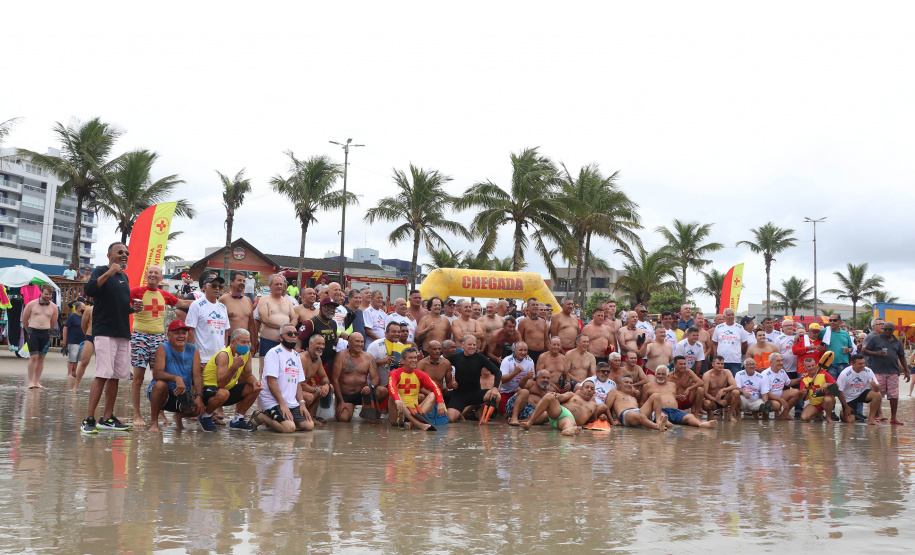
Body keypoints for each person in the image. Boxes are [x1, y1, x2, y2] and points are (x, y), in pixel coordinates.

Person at [81, 242, 140, 434]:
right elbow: (89, 290)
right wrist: (109, 273)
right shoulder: (100, 270)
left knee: (116, 376)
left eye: (127, 252)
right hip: (105, 331)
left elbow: (121, 306)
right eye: (120, 252)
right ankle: (88, 419)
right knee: (102, 374)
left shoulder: (125, 276)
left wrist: (133, 309)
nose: (125, 255)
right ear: (109, 255)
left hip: (123, 332)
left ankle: (107, 418)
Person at [129, 265, 193, 428]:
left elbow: (183, 302)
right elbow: (122, 305)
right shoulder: (136, 291)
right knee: (138, 378)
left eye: (156, 273)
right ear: (146, 275)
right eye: (150, 272)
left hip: (159, 338)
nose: (152, 274)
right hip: (140, 336)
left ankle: (160, 412)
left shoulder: (164, 294)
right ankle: (137, 414)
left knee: (160, 376)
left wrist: (205, 300)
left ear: (161, 277)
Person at [146, 319, 206, 433]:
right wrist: (176, 378)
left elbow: (197, 376)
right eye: (177, 333)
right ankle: (154, 423)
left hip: (183, 393)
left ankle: (178, 417)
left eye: (184, 333)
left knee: (198, 409)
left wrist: (199, 396)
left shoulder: (193, 349)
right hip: (163, 393)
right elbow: (157, 373)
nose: (181, 336)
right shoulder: (163, 347)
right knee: (160, 385)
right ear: (169, 335)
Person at [253, 323, 314, 433]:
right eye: (289, 334)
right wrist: (282, 405)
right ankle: (261, 416)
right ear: (280, 337)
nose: (293, 336)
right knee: (289, 428)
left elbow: (298, 383)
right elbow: (271, 382)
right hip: (273, 401)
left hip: (291, 402)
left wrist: (302, 403)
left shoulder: (296, 355)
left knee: (309, 426)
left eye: (295, 333)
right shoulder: (274, 353)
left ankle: (282, 419)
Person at [199, 329, 261, 432]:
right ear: (233, 342)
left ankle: (238, 419)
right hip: (209, 390)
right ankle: (205, 417)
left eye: (248, 342)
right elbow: (221, 383)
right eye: (243, 342)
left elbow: (248, 375)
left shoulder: (246, 353)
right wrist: (234, 367)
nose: (246, 345)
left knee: (254, 388)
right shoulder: (224, 355)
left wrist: (255, 382)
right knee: (223, 393)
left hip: (226, 390)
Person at [445, 335, 502, 422]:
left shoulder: (480, 357)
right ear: (463, 345)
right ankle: (460, 413)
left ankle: (479, 412)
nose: (472, 347)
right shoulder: (455, 357)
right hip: (459, 394)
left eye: (474, 345)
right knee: (450, 419)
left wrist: (495, 388)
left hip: (476, 393)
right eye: (469, 344)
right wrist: (450, 381)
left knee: (496, 395)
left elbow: (498, 372)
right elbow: (442, 366)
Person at [331, 333, 385, 422]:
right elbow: (335, 380)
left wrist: (370, 386)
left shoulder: (368, 357)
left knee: (382, 391)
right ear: (349, 342)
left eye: (362, 342)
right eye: (357, 341)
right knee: (343, 419)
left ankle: (366, 411)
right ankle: (346, 406)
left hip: (363, 395)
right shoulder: (340, 356)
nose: (360, 344)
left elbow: (376, 378)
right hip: (346, 395)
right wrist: (341, 401)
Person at [863, 321, 910, 425]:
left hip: (893, 372)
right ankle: (875, 416)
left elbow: (902, 356)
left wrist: (906, 371)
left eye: (890, 329)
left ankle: (893, 418)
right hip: (878, 371)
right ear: (883, 329)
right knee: (878, 394)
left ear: (894, 331)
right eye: (886, 329)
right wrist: (876, 353)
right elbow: (865, 351)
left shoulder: (897, 342)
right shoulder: (875, 339)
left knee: (894, 396)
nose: (887, 331)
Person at [388, 347, 446, 430]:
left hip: (415, 413)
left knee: (433, 395)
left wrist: (440, 402)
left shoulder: (420, 374)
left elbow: (435, 388)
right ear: (403, 360)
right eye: (410, 358)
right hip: (398, 415)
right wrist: (397, 399)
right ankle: (418, 424)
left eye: (415, 357)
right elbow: (391, 387)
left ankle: (411, 423)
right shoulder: (395, 373)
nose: (414, 360)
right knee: (394, 395)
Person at [641, 365, 717, 428]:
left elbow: (671, 396)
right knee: (662, 417)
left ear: (667, 376)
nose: (660, 376)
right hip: (660, 411)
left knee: (690, 417)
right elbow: (643, 403)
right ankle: (665, 424)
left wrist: (678, 397)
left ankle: (701, 424)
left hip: (675, 411)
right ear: (655, 375)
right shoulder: (648, 386)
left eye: (663, 374)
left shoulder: (672, 385)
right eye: (658, 374)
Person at [520, 381, 599, 435]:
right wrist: (556, 395)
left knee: (570, 424)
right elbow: (561, 397)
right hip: (559, 411)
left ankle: (568, 431)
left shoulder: (594, 405)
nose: (589, 390)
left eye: (592, 389)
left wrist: (602, 419)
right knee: (549, 396)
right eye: (587, 387)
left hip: (568, 420)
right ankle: (529, 422)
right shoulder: (572, 394)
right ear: (581, 389)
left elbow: (593, 423)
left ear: (594, 392)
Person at [255, 274, 297, 373]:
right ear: (270, 286)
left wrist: (289, 330)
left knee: (284, 371)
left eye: (281, 284)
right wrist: (284, 328)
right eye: (276, 284)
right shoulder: (264, 300)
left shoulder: (288, 301)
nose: (279, 286)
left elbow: (294, 317)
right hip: (268, 341)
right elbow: (264, 318)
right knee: (265, 371)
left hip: (285, 342)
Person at [185, 275, 230, 366]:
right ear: (205, 287)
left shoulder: (223, 307)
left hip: (220, 357)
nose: (217, 289)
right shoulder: (196, 305)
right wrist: (195, 354)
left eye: (220, 286)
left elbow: (226, 330)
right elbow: (189, 330)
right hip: (203, 358)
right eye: (214, 286)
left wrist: (224, 350)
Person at [22, 283, 58, 389]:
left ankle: (37, 381)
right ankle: (30, 381)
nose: (48, 296)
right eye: (46, 294)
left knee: (41, 358)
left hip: (45, 333)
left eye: (50, 294)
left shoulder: (54, 307)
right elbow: (24, 319)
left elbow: (53, 322)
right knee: (34, 357)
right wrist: (29, 331)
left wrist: (48, 332)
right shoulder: (31, 304)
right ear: (41, 292)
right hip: (33, 332)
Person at [220, 271, 258, 359]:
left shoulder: (248, 300)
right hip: (229, 341)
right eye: (239, 280)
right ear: (231, 282)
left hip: (245, 341)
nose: (242, 283)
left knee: (245, 370)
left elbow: (251, 323)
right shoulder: (223, 300)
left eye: (244, 281)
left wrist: (253, 342)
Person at [837, 354, 882, 425]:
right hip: (849, 397)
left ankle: (871, 419)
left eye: (864, 363)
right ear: (853, 364)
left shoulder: (868, 371)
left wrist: (875, 386)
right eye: (860, 364)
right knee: (850, 421)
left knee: (877, 394)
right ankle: (843, 413)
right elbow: (839, 391)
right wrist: (846, 407)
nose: (863, 365)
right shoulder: (845, 374)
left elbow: (877, 389)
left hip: (862, 393)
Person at [298, 297, 342, 371]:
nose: (331, 310)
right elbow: (298, 338)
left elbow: (334, 340)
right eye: (327, 307)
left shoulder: (333, 323)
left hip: (325, 363)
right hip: (311, 363)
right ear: (320, 308)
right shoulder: (310, 323)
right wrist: (298, 350)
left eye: (333, 308)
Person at [298, 335, 334, 421]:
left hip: (305, 389)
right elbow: (299, 384)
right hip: (295, 391)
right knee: (309, 397)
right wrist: (317, 390)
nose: (321, 347)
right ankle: (300, 417)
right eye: (319, 344)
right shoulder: (303, 358)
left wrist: (326, 385)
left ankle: (310, 416)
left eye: (323, 344)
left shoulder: (318, 359)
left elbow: (323, 377)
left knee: (330, 388)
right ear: (310, 344)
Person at [366, 321, 406, 394]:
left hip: (395, 385)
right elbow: (366, 364)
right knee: (381, 391)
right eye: (394, 332)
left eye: (398, 332)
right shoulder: (375, 345)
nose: (397, 334)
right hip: (379, 386)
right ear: (386, 333)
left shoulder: (402, 347)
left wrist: (403, 365)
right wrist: (382, 361)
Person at [761, 353, 803, 420]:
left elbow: (789, 383)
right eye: (778, 361)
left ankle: (784, 414)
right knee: (776, 405)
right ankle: (765, 417)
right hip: (769, 397)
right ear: (771, 363)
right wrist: (781, 400)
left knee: (796, 392)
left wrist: (801, 379)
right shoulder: (765, 374)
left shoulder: (782, 371)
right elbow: (765, 393)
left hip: (780, 394)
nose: (781, 363)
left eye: (781, 360)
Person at [497, 341, 535, 415]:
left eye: (525, 350)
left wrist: (523, 387)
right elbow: (502, 379)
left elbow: (531, 380)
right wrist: (515, 372)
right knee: (505, 415)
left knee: (521, 413)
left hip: (520, 392)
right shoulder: (507, 360)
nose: (523, 352)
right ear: (515, 350)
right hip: (505, 392)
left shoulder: (530, 361)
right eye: (521, 350)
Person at [711, 308, 750, 376]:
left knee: (735, 382)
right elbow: (714, 344)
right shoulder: (719, 327)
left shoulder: (740, 328)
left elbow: (745, 344)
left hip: (735, 361)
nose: (731, 317)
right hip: (721, 361)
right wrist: (715, 357)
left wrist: (737, 352)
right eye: (729, 315)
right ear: (724, 316)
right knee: (721, 382)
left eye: (732, 315)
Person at [799, 356, 838, 423]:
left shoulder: (824, 374)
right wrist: (802, 393)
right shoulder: (804, 378)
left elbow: (836, 386)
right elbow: (803, 397)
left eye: (813, 365)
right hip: (814, 404)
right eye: (809, 366)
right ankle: (819, 414)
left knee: (827, 400)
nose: (811, 368)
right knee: (804, 418)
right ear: (805, 368)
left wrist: (827, 384)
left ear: (816, 365)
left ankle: (828, 417)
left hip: (826, 400)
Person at [702, 356, 741, 420]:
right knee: (706, 403)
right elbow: (705, 393)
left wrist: (723, 390)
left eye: (722, 364)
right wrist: (717, 400)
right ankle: (709, 414)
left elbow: (734, 386)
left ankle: (730, 415)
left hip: (724, 398)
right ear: (713, 364)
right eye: (718, 363)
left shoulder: (727, 372)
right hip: (712, 400)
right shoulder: (707, 375)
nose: (720, 365)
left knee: (736, 392)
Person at [819, 314, 854, 379]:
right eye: (830, 320)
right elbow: (811, 333)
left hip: (844, 364)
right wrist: (798, 335)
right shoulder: (825, 331)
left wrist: (848, 350)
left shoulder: (846, 333)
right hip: (830, 364)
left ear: (839, 321)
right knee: (833, 387)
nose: (832, 322)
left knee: (845, 387)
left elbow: (851, 348)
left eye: (834, 320)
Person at [72, 304, 95, 391]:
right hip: (90, 336)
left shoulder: (107, 308)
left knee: (102, 363)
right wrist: (87, 335)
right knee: (84, 361)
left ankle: (101, 387)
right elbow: (83, 325)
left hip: (103, 336)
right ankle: (75, 386)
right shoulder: (89, 310)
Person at [62, 301, 86, 378]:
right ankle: (69, 373)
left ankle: (74, 372)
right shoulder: (72, 316)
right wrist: (64, 339)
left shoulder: (84, 316)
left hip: (82, 341)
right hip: (73, 340)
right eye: (84, 307)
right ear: (79, 308)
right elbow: (65, 328)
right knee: (72, 357)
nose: (85, 309)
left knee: (77, 358)